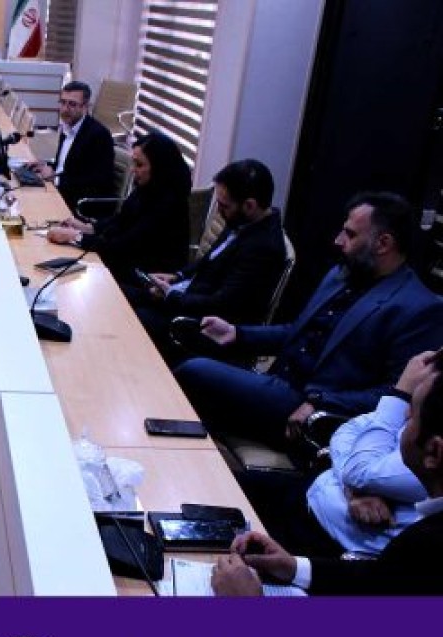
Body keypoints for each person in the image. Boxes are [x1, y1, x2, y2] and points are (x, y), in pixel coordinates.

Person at [176, 191, 443, 451]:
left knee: (194, 371)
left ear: (383, 244)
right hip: (279, 385)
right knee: (186, 348)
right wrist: (237, 333)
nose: (338, 241)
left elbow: (398, 394)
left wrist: (321, 401)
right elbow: (297, 331)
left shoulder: (418, 308)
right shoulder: (342, 274)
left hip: (314, 412)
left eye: (350, 234)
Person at [212, 358, 443, 595]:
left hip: (325, 544)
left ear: (434, 452)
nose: (403, 415)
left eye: (412, 415)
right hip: (308, 518)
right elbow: (379, 578)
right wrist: (294, 568)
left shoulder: (426, 543)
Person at [126, 159, 286, 362]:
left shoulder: (263, 248)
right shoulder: (244, 221)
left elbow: (222, 304)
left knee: (133, 316)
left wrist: (172, 296)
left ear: (249, 205)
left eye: (224, 206)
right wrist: (177, 276)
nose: (218, 212)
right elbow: (208, 260)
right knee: (124, 292)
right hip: (190, 297)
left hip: (205, 326)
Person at [47, 131, 191, 283]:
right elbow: (121, 220)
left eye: (139, 164)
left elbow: (124, 246)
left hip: (148, 279)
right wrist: (88, 228)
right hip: (126, 263)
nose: (133, 169)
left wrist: (75, 237)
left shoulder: (168, 204)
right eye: (134, 163)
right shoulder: (149, 188)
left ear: (159, 167)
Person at [27, 81, 114, 213]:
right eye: (62, 102)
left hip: (79, 202)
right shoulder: (68, 126)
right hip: (61, 191)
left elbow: (97, 181)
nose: (65, 109)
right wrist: (44, 165)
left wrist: (56, 179)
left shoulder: (98, 135)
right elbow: (66, 165)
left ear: (85, 107)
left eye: (72, 104)